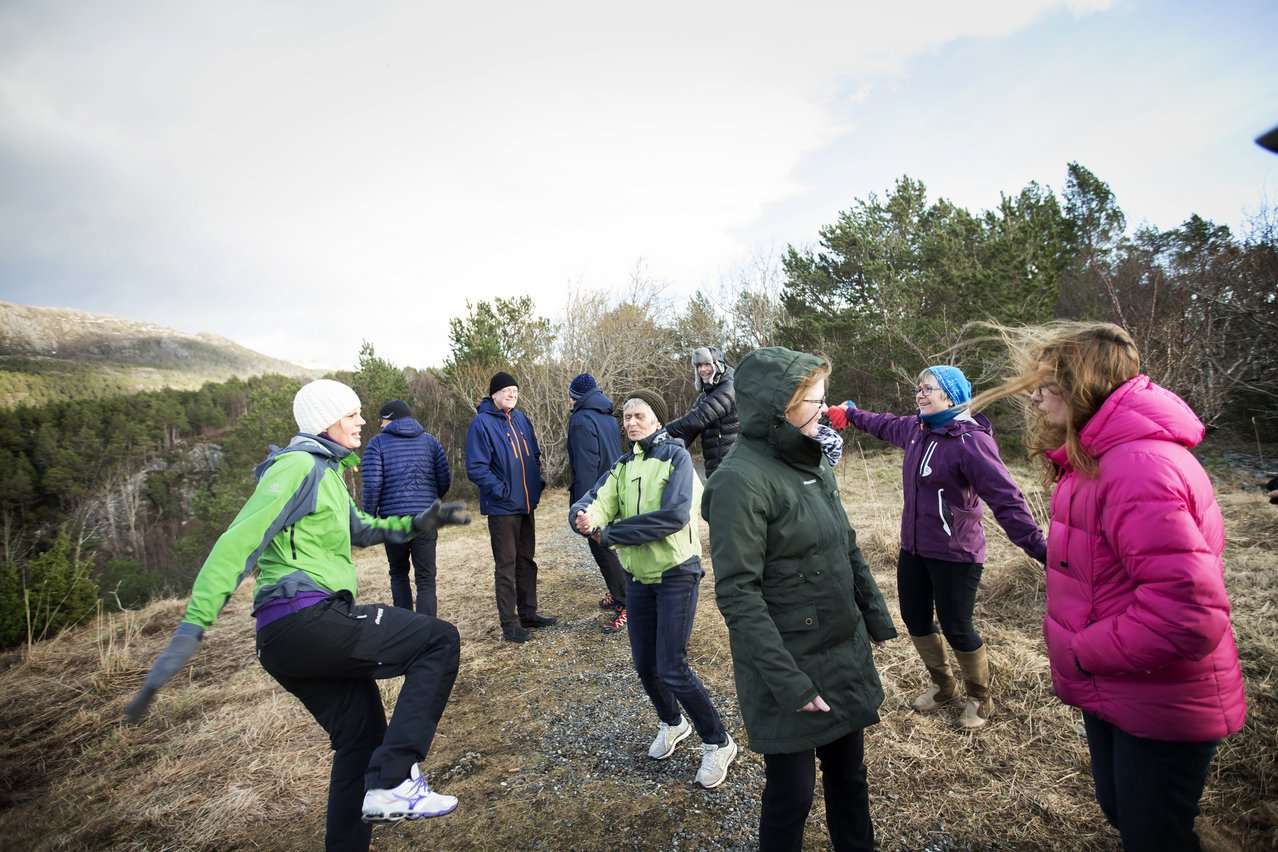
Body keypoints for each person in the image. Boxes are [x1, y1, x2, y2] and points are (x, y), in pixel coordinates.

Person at [123, 379, 471, 851]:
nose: (362, 421)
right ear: (326, 421)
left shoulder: (327, 473)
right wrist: (192, 626)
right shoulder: (296, 466)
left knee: (361, 739)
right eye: (352, 414)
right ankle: (394, 780)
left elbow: (360, 528)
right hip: (305, 619)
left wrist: (419, 522)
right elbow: (237, 543)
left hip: (289, 638)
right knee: (439, 640)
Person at [969, 321, 1246, 850]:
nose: (1033, 393)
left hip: (1162, 694)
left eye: (1046, 380)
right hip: (1121, 683)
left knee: (1153, 835)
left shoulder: (1138, 467)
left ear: (1084, 385)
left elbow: (1187, 614)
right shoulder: (1094, 461)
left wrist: (1080, 651)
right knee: (1126, 815)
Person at [704, 347, 896, 852]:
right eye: (813, 400)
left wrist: (875, 618)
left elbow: (845, 542)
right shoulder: (738, 483)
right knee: (792, 794)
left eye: (823, 397)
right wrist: (789, 681)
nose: (824, 409)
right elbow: (737, 594)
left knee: (849, 778)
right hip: (785, 661)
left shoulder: (814, 456)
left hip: (839, 647)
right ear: (776, 406)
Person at [826, 364, 1046, 729]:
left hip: (957, 553)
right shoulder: (916, 429)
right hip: (914, 548)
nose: (920, 394)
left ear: (951, 395)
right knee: (914, 618)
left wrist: (1039, 547)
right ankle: (943, 686)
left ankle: (979, 697)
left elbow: (1006, 499)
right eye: (919, 388)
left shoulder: (970, 442)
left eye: (928, 388)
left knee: (957, 625)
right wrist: (850, 413)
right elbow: (880, 423)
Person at [570, 388, 737, 789]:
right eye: (626, 416)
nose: (630, 422)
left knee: (671, 666)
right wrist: (583, 516)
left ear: (657, 421)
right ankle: (672, 722)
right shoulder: (625, 465)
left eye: (639, 416)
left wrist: (609, 534)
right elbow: (598, 500)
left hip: (677, 572)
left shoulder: (676, 458)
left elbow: (674, 516)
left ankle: (718, 741)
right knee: (645, 665)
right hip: (639, 578)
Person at [465, 371, 556, 642]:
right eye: (506, 390)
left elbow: (535, 454)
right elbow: (476, 468)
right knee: (506, 565)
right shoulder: (481, 424)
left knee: (526, 561)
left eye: (515, 390)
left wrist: (536, 483)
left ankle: (529, 614)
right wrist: (501, 490)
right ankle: (510, 624)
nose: (512, 394)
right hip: (502, 508)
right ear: (494, 394)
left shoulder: (521, 418)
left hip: (527, 504)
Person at [361, 399, 452, 616]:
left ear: (388, 419)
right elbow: (444, 479)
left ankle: (405, 628)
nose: (379, 425)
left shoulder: (377, 444)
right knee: (426, 578)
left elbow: (372, 485)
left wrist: (368, 517)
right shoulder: (430, 442)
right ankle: (427, 631)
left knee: (399, 573)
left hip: (393, 520)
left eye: (381, 421)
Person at [565, 372, 629, 633]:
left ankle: (627, 602)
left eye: (570, 396)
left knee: (601, 545)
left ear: (576, 396)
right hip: (613, 487)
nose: (569, 401)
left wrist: (583, 505)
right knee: (608, 545)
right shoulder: (607, 416)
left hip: (597, 493)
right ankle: (618, 594)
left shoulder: (581, 419)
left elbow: (585, 464)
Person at [665, 346, 739, 477]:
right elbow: (689, 430)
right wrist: (665, 445)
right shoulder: (705, 396)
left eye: (707, 364)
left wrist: (661, 432)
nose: (702, 370)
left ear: (718, 365)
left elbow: (698, 419)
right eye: (699, 366)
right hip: (715, 468)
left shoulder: (730, 387)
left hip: (733, 467)